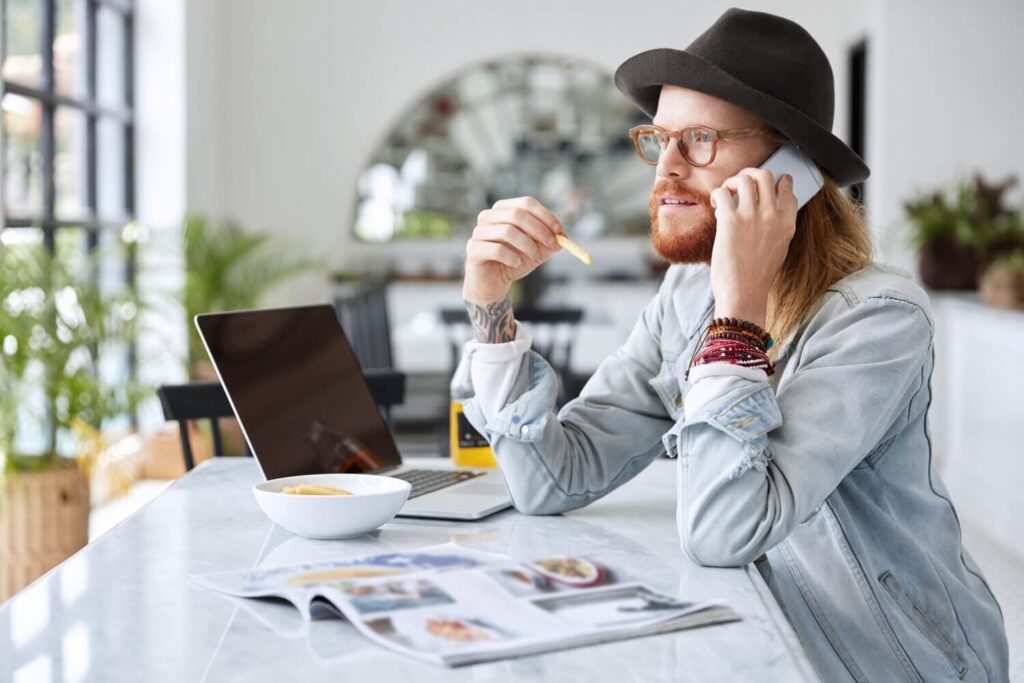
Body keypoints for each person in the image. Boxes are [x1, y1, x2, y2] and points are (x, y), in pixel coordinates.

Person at [452, 7, 1009, 682]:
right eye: (659, 141)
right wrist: (490, 306)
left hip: (894, 662)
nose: (666, 172)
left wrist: (738, 311)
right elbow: (551, 477)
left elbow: (724, 532)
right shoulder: (687, 298)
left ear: (792, 170)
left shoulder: (880, 320)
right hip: (773, 644)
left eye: (701, 140)